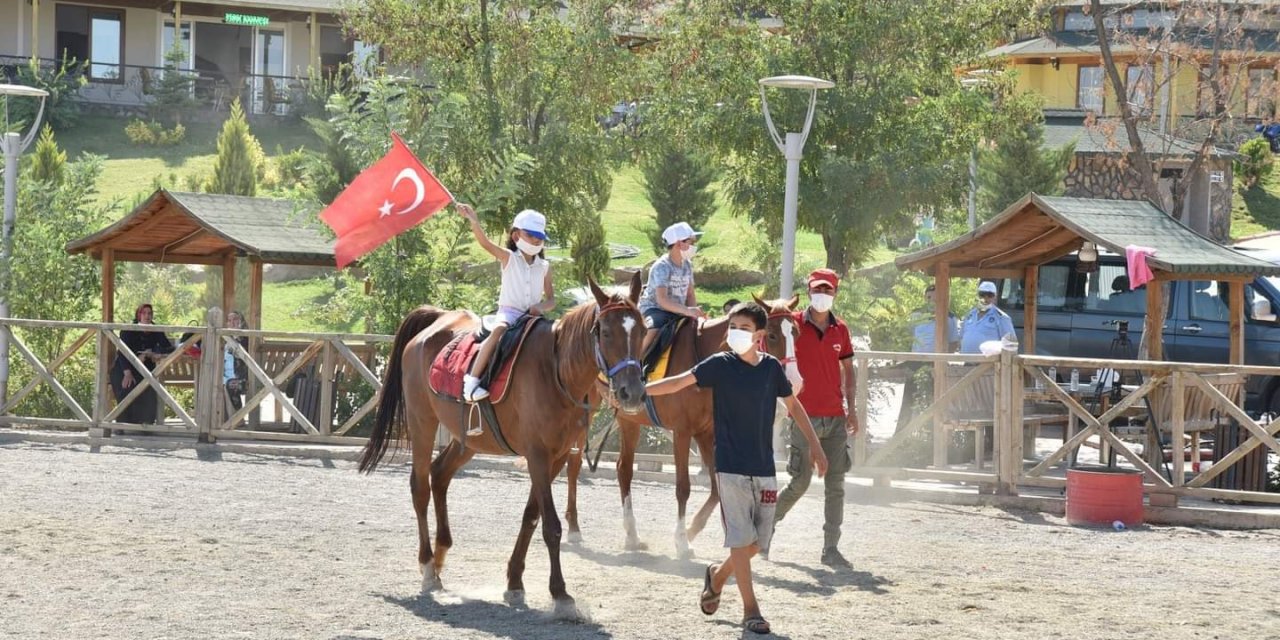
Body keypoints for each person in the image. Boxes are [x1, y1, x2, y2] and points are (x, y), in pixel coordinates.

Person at [645, 302, 828, 636]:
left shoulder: (772, 369)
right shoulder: (719, 364)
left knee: (760, 540)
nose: (735, 333)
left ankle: (717, 576)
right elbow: (678, 382)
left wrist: (816, 445)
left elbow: (794, 406)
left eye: (743, 328)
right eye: (732, 327)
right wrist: (640, 391)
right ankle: (751, 610)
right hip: (729, 467)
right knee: (741, 538)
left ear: (760, 336)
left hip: (764, 468)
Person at [772, 268, 859, 568]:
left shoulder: (841, 330)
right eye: (817, 289)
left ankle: (831, 548)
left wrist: (854, 409)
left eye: (828, 290)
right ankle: (764, 529)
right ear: (808, 292)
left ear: (835, 293)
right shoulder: (791, 324)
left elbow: (849, 370)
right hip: (801, 414)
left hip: (836, 416)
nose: (823, 295)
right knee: (800, 482)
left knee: (836, 485)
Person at [458, 204, 556, 420]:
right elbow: (485, 243)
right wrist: (474, 220)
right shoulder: (508, 258)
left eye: (540, 237)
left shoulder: (545, 266)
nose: (537, 241)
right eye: (531, 236)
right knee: (500, 330)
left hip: (532, 318)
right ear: (516, 235)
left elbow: (552, 300)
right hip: (509, 313)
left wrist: (540, 307)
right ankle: (472, 382)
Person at [898, 283, 960, 432]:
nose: (931, 300)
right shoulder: (916, 314)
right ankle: (900, 433)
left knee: (934, 399)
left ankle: (931, 434)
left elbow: (954, 342)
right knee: (909, 397)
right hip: (916, 361)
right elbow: (908, 336)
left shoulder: (949, 317)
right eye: (928, 297)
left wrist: (943, 358)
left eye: (935, 298)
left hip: (936, 363)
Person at [638, 221, 706, 357]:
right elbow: (662, 300)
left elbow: (690, 295)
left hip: (677, 310)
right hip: (655, 309)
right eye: (691, 242)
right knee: (654, 327)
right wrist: (687, 311)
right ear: (679, 243)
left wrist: (694, 314)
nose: (694, 246)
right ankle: (636, 360)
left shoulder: (687, 265)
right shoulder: (662, 266)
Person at [110, 303, 175, 425]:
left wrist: (154, 352)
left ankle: (144, 424)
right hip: (125, 367)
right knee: (126, 387)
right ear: (138, 315)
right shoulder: (128, 330)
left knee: (148, 389)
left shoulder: (156, 330)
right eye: (144, 313)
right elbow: (122, 352)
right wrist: (127, 372)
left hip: (144, 368)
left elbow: (168, 347)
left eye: (149, 313)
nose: (147, 316)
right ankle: (123, 424)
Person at [959, 281, 1016, 354]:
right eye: (982, 294)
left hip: (989, 364)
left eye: (990, 295)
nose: (985, 298)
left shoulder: (1002, 318)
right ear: (978, 295)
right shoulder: (969, 315)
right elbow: (961, 337)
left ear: (995, 297)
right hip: (966, 362)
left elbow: (1011, 345)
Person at [223, 310, 250, 414]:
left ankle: (238, 418)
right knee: (210, 382)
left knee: (231, 384)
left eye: (235, 319)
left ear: (241, 322)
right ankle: (219, 419)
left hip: (242, 378)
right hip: (224, 376)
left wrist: (237, 337)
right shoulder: (224, 340)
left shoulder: (246, 339)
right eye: (229, 320)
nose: (232, 322)